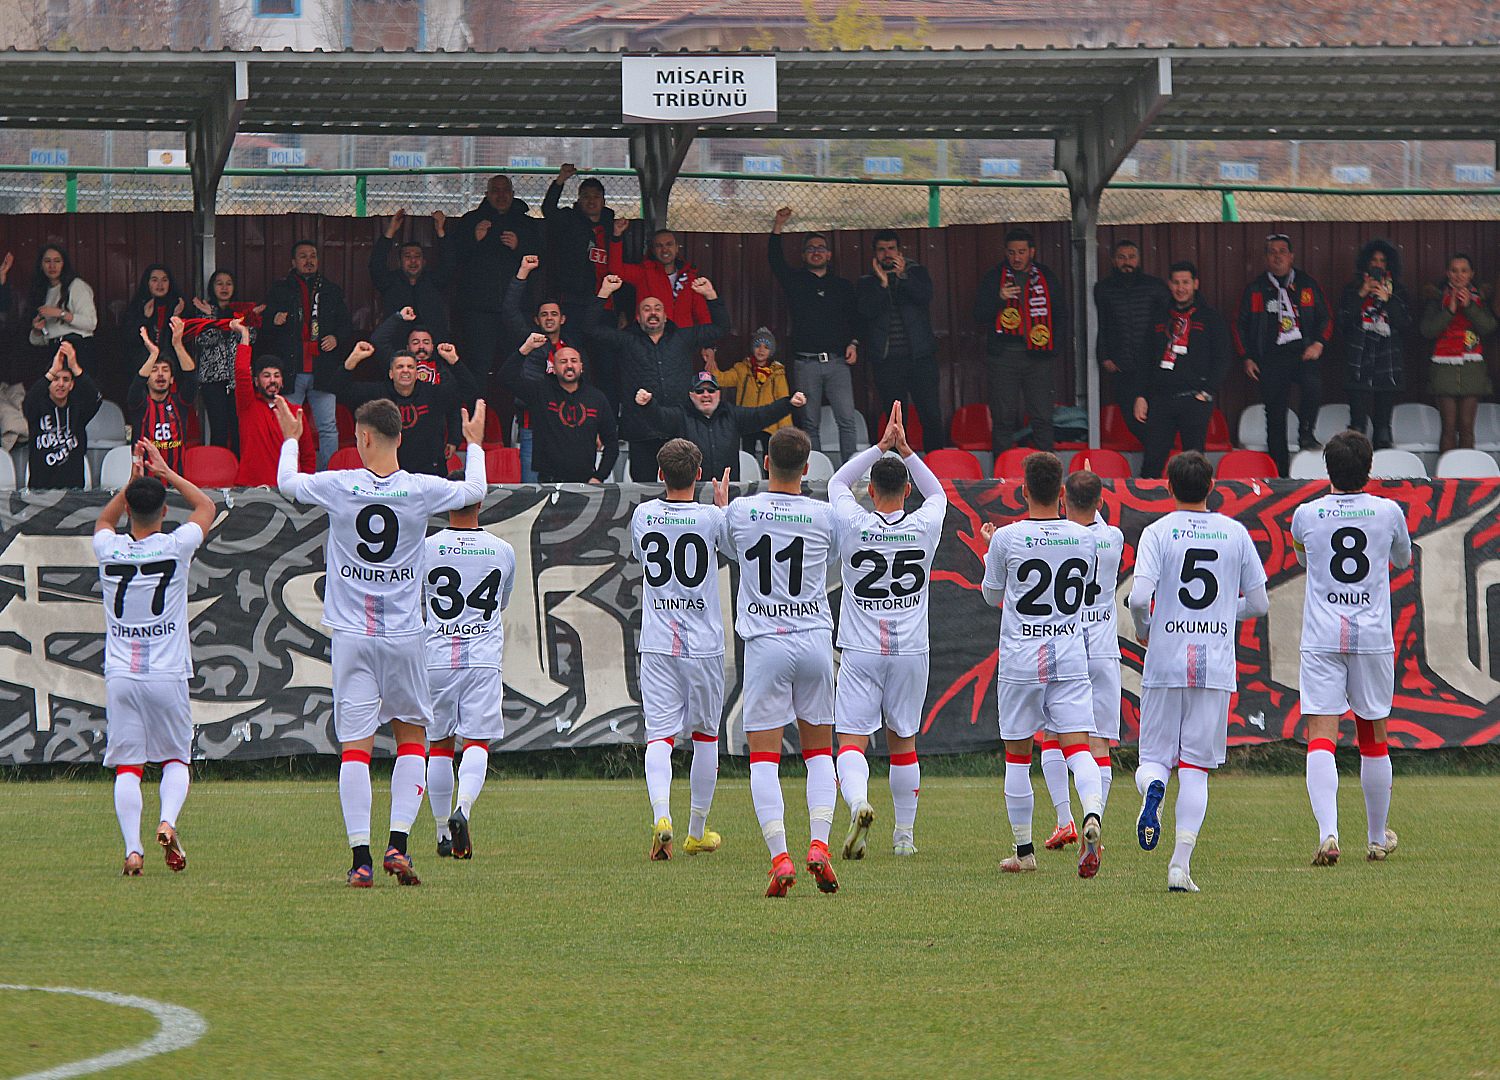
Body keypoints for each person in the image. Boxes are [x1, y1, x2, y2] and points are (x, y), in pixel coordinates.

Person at [276, 395, 488, 887]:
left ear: (365, 437)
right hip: (404, 636)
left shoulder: (340, 485)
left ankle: (360, 860)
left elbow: (287, 483)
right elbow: (475, 488)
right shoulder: (419, 490)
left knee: (356, 748)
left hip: (352, 636)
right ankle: (399, 845)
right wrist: (473, 444)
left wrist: (291, 437)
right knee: (412, 738)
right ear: (399, 437)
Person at [1129, 451, 1270, 892]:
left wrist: (1146, 628)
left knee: (1154, 759)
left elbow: (1137, 598)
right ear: (1212, 488)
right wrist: (1226, 614)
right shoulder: (1235, 532)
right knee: (1195, 766)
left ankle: (1153, 790)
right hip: (1213, 661)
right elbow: (1261, 603)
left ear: (1167, 487)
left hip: (1166, 657)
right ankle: (1179, 865)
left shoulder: (1157, 531)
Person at [724, 425, 841, 897]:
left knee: (765, 760)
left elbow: (733, 551)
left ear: (766, 463)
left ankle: (780, 857)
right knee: (818, 754)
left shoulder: (740, 510)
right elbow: (833, 557)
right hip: (813, 640)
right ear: (808, 468)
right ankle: (818, 845)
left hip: (766, 644)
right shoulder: (824, 514)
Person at [828, 402, 946, 859]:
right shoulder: (924, 522)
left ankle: (859, 802)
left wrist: (879, 445)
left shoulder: (854, 521)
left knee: (852, 741)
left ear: (870, 489)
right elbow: (939, 495)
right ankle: (904, 838)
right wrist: (907, 451)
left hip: (860, 648)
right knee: (904, 743)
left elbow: (838, 481)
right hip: (911, 650)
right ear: (907, 489)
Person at [93, 440, 215, 875]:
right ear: (164, 512)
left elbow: (103, 521)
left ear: (129, 510)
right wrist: (168, 471)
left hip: (122, 673)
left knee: (128, 764)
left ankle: (132, 849)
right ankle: (167, 820)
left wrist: (129, 485)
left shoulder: (109, 549)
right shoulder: (176, 545)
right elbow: (206, 507)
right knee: (176, 759)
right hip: (166, 672)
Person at [979, 452, 1104, 878]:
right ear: (1063, 493)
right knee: (1078, 748)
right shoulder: (1086, 538)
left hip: (1020, 660)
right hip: (1069, 654)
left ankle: (1025, 853)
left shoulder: (1007, 538)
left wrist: (989, 556)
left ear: (1025, 490)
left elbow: (992, 596)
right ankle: (1091, 815)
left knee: (1017, 758)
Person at [1291, 430, 1410, 866]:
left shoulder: (1306, 514)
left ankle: (1328, 833)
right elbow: (1402, 559)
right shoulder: (1387, 511)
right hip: (1373, 637)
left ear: (1327, 470)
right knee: (1373, 735)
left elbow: (1304, 558)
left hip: (1322, 636)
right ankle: (1377, 837)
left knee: (1321, 734)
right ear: (1370, 468)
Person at [630, 439, 731, 859]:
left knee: (659, 736)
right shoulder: (711, 517)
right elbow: (728, 548)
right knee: (706, 735)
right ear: (699, 477)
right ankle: (695, 831)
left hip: (657, 642)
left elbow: (642, 557)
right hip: (703, 645)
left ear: (660, 475)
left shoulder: (643, 514)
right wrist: (722, 507)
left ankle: (661, 816)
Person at [422, 468, 515, 861]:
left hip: (437, 656)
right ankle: (464, 808)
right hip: (482, 658)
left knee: (438, 744)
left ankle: (444, 832)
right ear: (482, 499)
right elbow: (502, 602)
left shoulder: (424, 548)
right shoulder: (502, 550)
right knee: (477, 742)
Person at [1037, 471, 1125, 851]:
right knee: (1100, 743)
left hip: (1066, 648)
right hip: (1102, 651)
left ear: (1061, 499)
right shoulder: (1114, 537)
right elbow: (1094, 524)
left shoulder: (1056, 541)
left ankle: (1064, 821)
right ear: (1101, 503)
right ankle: (1095, 824)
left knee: (1054, 736)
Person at [585, 273, 729, 482]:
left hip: (679, 429)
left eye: (657, 309)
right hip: (641, 430)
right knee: (644, 490)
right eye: (646, 309)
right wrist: (604, 293)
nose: (653, 313)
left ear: (665, 315)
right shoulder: (626, 340)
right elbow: (590, 329)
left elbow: (721, 328)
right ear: (638, 316)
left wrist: (711, 296)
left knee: (683, 487)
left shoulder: (683, 337)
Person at [768, 207, 860, 461]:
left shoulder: (841, 286)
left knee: (847, 421)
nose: (816, 252)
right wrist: (778, 226)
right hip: (806, 364)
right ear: (803, 255)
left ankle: (849, 474)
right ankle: (817, 475)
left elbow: (856, 318)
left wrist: (854, 342)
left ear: (829, 254)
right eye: (810, 248)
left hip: (838, 363)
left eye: (821, 248)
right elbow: (775, 261)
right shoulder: (795, 281)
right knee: (810, 424)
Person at [1236, 233, 1332, 475]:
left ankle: (1306, 433)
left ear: (1291, 257)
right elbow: (1240, 324)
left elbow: (1326, 317)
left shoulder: (1308, 284)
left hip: (1303, 352)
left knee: (1313, 384)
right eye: (1272, 252)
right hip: (1271, 357)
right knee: (1275, 414)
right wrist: (1247, 356)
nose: (1277, 256)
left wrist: (1319, 343)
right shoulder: (1256, 289)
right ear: (1266, 258)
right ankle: (1279, 471)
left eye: (1282, 251)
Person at [504, 254, 602, 480]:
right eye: (544, 315)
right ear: (536, 320)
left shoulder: (574, 349)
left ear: (563, 319)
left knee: (568, 491)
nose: (549, 318)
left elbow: (586, 389)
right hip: (534, 427)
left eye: (554, 314)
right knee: (532, 492)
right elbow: (509, 310)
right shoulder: (528, 340)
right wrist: (523, 273)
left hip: (569, 427)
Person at [1133, 261, 1233, 479]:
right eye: (1176, 282)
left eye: (1185, 282)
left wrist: (1207, 392)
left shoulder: (1211, 318)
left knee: (1194, 463)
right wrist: (1141, 395)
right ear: (1169, 284)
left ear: (1195, 284)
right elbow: (1145, 361)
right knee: (1152, 460)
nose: (1181, 288)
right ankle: (1149, 509)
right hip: (1161, 400)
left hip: (1194, 400)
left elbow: (1223, 358)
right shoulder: (1159, 318)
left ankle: (1194, 509)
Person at [973, 227, 1068, 455]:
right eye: (1012, 252)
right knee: (1003, 419)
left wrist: (1054, 350)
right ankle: (1002, 477)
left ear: (1032, 252)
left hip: (1039, 357)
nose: (1017, 257)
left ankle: (1048, 477)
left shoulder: (1046, 276)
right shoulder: (994, 277)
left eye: (1022, 252)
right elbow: (978, 314)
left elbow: (1061, 315)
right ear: (1005, 252)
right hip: (1004, 355)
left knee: (1043, 418)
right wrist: (999, 298)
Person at [328, 339, 478, 477]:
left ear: (417, 373)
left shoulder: (433, 393)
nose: (405, 370)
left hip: (429, 474)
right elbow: (337, 388)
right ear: (391, 374)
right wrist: (353, 359)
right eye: (400, 367)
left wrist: (454, 361)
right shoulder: (377, 393)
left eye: (410, 367)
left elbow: (469, 389)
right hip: (387, 475)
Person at [260, 241, 350, 470]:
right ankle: (288, 474)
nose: (309, 260)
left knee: (328, 427)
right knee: (286, 427)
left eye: (313, 256)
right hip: (291, 371)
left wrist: (337, 338)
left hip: (323, 370)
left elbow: (347, 326)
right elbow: (263, 330)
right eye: (303, 256)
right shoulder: (280, 290)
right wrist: (273, 320)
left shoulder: (331, 290)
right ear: (293, 262)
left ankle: (329, 476)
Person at [856, 229, 945, 450]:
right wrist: (882, 284)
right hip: (887, 362)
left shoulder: (916, 273)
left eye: (891, 249)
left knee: (931, 415)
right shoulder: (867, 281)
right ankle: (897, 471)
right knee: (895, 421)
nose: (887, 254)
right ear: (875, 254)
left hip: (920, 358)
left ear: (900, 251)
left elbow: (924, 296)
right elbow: (866, 312)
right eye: (882, 250)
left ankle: (934, 468)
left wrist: (902, 276)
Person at [453, 175, 544, 382]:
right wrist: (474, 238)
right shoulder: (471, 220)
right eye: (496, 190)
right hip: (479, 310)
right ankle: (479, 413)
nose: (501, 195)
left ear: (512, 194)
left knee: (522, 365)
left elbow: (542, 261)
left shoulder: (526, 224)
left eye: (505, 190)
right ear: (486, 195)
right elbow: (454, 257)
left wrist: (519, 247)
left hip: (517, 310)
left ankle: (519, 414)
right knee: (479, 367)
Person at [633, 373, 803, 482]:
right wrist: (648, 405)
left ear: (719, 394)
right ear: (691, 396)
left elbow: (762, 414)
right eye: (700, 391)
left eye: (711, 390)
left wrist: (788, 404)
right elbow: (659, 419)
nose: (706, 394)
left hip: (728, 495)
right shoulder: (680, 415)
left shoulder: (732, 414)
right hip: (691, 496)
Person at [500, 333, 617, 484]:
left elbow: (612, 443)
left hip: (585, 483)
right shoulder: (541, 392)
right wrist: (525, 349)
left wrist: (599, 477)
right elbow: (505, 378)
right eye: (563, 361)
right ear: (553, 368)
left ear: (581, 368)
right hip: (548, 482)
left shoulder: (597, 398)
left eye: (574, 361)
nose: (569, 365)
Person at [1094, 239, 1170, 443]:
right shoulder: (1103, 289)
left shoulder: (1155, 286)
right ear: (1113, 261)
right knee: (1133, 420)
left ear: (1139, 260)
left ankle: (1157, 462)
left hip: (1153, 365)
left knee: (1156, 418)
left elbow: (1171, 322)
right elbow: (1100, 324)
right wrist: (1104, 356)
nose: (1126, 262)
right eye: (1121, 257)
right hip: (1122, 365)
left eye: (1131, 257)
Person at [1339, 240, 1412, 449]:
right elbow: (1342, 322)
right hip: (1358, 360)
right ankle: (1354, 470)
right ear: (1366, 263)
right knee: (1357, 427)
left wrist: (1387, 300)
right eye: (1374, 261)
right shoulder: (1352, 289)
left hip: (1387, 361)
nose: (1378, 265)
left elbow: (1404, 324)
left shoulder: (1398, 290)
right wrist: (1361, 294)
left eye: (1382, 261)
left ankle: (1382, 476)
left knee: (1382, 430)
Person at [1421, 254, 1496, 452]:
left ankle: (1466, 476)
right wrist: (1449, 310)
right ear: (1447, 273)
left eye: (1464, 270)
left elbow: (1489, 327)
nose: (1459, 275)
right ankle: (1446, 477)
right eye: (1454, 270)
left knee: (1466, 427)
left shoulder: (1480, 299)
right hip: (1444, 368)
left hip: (1472, 369)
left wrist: (1470, 306)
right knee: (1448, 428)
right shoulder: (1436, 299)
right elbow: (1427, 330)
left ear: (1471, 274)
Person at [231, 320, 316, 486]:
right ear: (256, 381)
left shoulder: (295, 412)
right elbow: (241, 372)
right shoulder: (247, 405)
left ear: (282, 381)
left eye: (277, 376)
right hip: (249, 488)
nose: (272, 380)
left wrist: (303, 487)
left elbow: (308, 456)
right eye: (266, 375)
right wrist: (245, 335)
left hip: (285, 490)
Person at [190, 269, 261, 454]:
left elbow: (250, 338)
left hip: (239, 379)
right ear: (212, 287)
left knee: (239, 429)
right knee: (219, 428)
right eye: (219, 283)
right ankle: (218, 471)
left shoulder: (242, 311)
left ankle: (239, 471)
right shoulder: (203, 310)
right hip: (213, 380)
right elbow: (205, 339)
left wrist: (249, 318)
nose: (224, 287)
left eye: (228, 283)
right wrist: (213, 317)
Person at [541, 164, 618, 323]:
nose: (591, 201)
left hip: (605, 301)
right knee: (573, 346)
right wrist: (561, 179)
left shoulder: (612, 227)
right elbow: (548, 210)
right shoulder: (569, 220)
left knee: (604, 346)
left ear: (603, 200)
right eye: (586, 196)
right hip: (574, 299)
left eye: (596, 196)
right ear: (579, 199)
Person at [26, 340, 101, 489]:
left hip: (73, 492)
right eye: (55, 379)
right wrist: (52, 371)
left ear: (72, 385)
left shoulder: (78, 410)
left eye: (66, 380)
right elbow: (28, 400)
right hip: (40, 492)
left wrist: (75, 367)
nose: (61, 384)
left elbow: (96, 398)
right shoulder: (37, 408)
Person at [369, 208, 452, 342]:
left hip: (430, 347)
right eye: (407, 256)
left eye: (417, 256)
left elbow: (449, 263)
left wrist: (440, 232)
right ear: (399, 262)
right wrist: (391, 231)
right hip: (398, 347)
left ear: (424, 262)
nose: (413, 260)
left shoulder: (434, 281)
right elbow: (376, 264)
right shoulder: (389, 282)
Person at [126, 319, 197, 476]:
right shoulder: (139, 404)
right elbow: (136, 385)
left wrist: (178, 346)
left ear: (172, 379)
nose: (160, 374)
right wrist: (153, 355)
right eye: (154, 370)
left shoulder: (180, 403)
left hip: (175, 483)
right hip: (145, 484)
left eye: (165, 370)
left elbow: (192, 379)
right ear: (147, 379)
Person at [716, 327, 791, 459]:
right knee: (747, 454)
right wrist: (710, 366)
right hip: (748, 419)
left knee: (770, 456)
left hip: (770, 421)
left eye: (766, 347)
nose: (761, 350)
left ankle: (770, 479)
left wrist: (785, 430)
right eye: (758, 346)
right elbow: (722, 379)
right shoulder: (742, 368)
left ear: (771, 351)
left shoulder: (778, 373)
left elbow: (783, 401)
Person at [27, 244, 98, 376]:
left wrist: (61, 313)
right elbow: (40, 340)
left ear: (64, 264)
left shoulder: (76, 286)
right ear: (41, 266)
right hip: (54, 348)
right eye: (47, 261)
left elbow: (91, 323)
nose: (52, 266)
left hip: (78, 348)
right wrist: (37, 330)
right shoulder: (42, 291)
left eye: (57, 261)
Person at [122, 264, 186, 368]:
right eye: (154, 280)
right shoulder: (137, 306)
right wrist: (145, 319)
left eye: (164, 280)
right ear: (147, 283)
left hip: (171, 366)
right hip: (142, 365)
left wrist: (176, 317)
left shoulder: (177, 305)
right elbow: (129, 339)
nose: (160, 284)